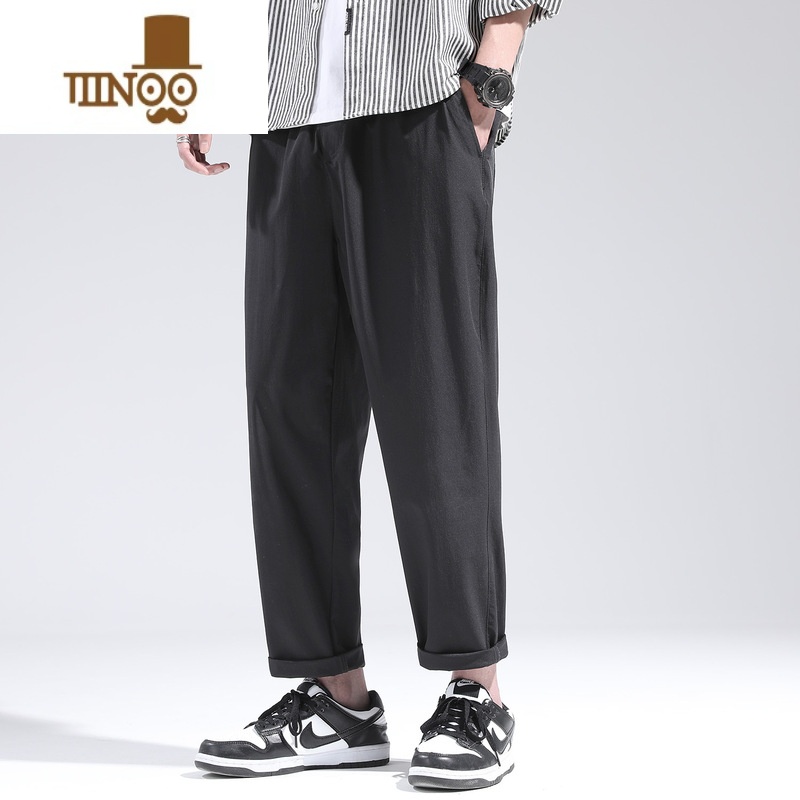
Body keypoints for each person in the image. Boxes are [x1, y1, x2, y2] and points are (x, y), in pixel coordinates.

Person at [175, 1, 561, 791]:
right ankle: (335, 699)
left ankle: (476, 691)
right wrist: (207, 79)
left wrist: (488, 83)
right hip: (288, 114)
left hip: (418, 103)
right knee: (290, 404)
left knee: (433, 401)